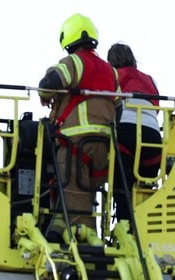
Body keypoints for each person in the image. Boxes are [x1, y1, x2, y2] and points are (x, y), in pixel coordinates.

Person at [37, 13, 117, 242]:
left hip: (75, 143)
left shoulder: (74, 62)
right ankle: (55, 229)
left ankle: (86, 241)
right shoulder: (110, 71)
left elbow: (48, 85)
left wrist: (46, 95)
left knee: (73, 194)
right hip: (104, 148)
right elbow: (117, 105)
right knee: (80, 196)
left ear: (67, 39)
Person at [107, 42, 162, 222]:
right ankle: (144, 223)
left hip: (125, 130)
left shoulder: (112, 76)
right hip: (153, 137)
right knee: (145, 186)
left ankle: (124, 224)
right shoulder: (150, 79)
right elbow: (157, 107)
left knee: (122, 182)